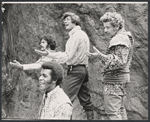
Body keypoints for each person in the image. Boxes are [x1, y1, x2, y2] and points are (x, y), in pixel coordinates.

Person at [42, 12, 94, 120]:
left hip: (75, 71)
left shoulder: (76, 36)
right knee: (85, 101)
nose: (65, 21)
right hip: (82, 70)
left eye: (68, 19)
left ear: (75, 21)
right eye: (64, 19)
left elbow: (68, 56)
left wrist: (50, 54)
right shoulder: (82, 34)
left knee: (63, 99)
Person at [86, 12, 134, 120]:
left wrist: (101, 56)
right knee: (119, 110)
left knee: (112, 112)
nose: (105, 30)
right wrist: (100, 56)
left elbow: (120, 61)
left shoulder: (119, 38)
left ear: (116, 26)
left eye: (108, 27)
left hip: (114, 81)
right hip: (120, 80)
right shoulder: (124, 36)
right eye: (104, 27)